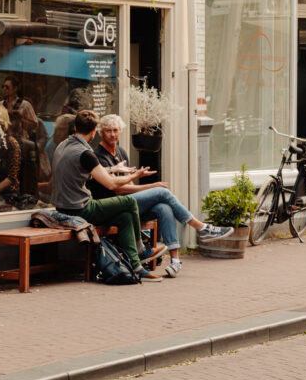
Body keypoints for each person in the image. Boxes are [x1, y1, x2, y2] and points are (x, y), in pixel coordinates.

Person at [89, 114, 233, 278]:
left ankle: (175, 261)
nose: (112, 134)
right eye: (108, 131)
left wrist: (141, 185)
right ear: (101, 132)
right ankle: (201, 227)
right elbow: (117, 189)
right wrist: (151, 187)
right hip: (113, 207)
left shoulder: (121, 152)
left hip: (129, 204)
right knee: (162, 192)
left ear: (121, 131)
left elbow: (128, 184)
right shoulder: (98, 155)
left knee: (164, 208)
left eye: (115, 130)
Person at [51, 109, 165, 281]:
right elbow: (111, 184)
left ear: (75, 127)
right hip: (80, 209)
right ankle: (141, 250)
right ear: (94, 132)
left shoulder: (63, 145)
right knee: (129, 203)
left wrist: (113, 168)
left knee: (125, 217)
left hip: (61, 207)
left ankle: (136, 267)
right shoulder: (85, 153)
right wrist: (135, 176)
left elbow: (87, 169)